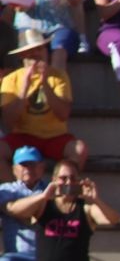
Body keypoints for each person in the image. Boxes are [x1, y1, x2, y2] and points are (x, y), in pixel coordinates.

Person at [24, 160, 114, 261]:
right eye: (63, 178)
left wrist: (96, 200)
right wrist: (43, 196)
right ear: (54, 180)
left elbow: (113, 219)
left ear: (79, 181)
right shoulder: (43, 206)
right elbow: (16, 211)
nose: (68, 182)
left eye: (73, 178)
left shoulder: (86, 209)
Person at [2, 33, 78, 166]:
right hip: (23, 136)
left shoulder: (59, 76)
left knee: (79, 150)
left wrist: (45, 83)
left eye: (40, 49)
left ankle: (62, 181)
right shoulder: (11, 79)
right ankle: (15, 186)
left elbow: (63, 115)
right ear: (22, 55)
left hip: (55, 136)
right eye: (31, 51)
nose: (37, 54)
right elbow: (9, 121)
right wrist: (24, 89)